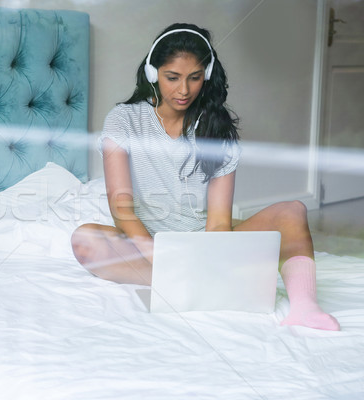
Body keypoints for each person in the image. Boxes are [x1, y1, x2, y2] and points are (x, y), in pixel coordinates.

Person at [70, 23, 340, 331]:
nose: (183, 90)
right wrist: (161, 256)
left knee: (293, 211)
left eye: (194, 78)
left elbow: (218, 223)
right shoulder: (123, 120)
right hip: (150, 244)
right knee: (86, 240)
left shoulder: (217, 128)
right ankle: (203, 279)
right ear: (152, 73)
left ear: (206, 76)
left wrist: (209, 257)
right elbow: (122, 209)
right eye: (172, 78)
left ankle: (305, 308)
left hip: (205, 244)